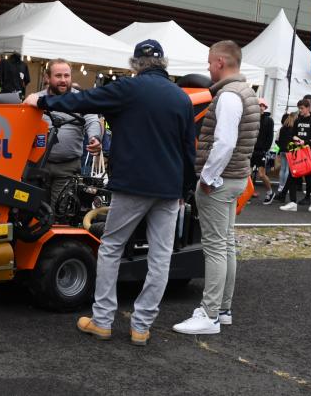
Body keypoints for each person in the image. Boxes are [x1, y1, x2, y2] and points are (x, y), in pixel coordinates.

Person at [24, 39, 196, 346]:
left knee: (112, 247)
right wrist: (185, 188)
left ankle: (102, 320)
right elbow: (188, 150)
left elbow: (82, 100)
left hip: (132, 184)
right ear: (163, 63)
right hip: (169, 189)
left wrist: (42, 101)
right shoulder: (181, 98)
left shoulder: (127, 89)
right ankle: (141, 327)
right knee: (160, 258)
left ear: (135, 64)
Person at [173, 40, 259, 336]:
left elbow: (224, 142)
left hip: (220, 182)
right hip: (236, 178)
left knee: (215, 249)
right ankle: (222, 310)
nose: (208, 67)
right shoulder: (246, 92)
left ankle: (209, 314)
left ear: (220, 62)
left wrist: (207, 178)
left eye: (210, 62)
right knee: (226, 244)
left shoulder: (228, 96)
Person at [34, 59, 102, 206]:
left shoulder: (81, 99)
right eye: (58, 76)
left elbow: (92, 120)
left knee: (59, 211)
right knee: (34, 212)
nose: (63, 80)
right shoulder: (36, 99)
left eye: (67, 76)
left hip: (67, 168)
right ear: (47, 78)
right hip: (38, 166)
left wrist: (95, 137)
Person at [279, 98, 311, 211]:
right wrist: (294, 138)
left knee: (308, 178)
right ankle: (293, 202)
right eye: (299, 108)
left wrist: (306, 142)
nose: (300, 110)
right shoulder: (297, 120)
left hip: (308, 152)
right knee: (293, 175)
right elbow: (292, 134)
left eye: (302, 108)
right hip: (296, 151)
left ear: (308, 108)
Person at [251, 98, 275, 204]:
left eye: (263, 106)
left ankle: (270, 192)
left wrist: (266, 150)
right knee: (247, 173)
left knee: (261, 174)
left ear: (265, 108)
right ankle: (247, 193)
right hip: (251, 150)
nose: (261, 107)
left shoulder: (269, 120)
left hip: (262, 151)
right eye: (259, 105)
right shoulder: (252, 119)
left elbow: (270, 137)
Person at [272, 112, 297, 203]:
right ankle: (286, 186)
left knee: (283, 168)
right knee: (288, 170)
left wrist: (280, 147)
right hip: (289, 151)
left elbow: (277, 140)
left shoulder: (282, 128)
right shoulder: (293, 129)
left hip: (282, 150)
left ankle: (281, 186)